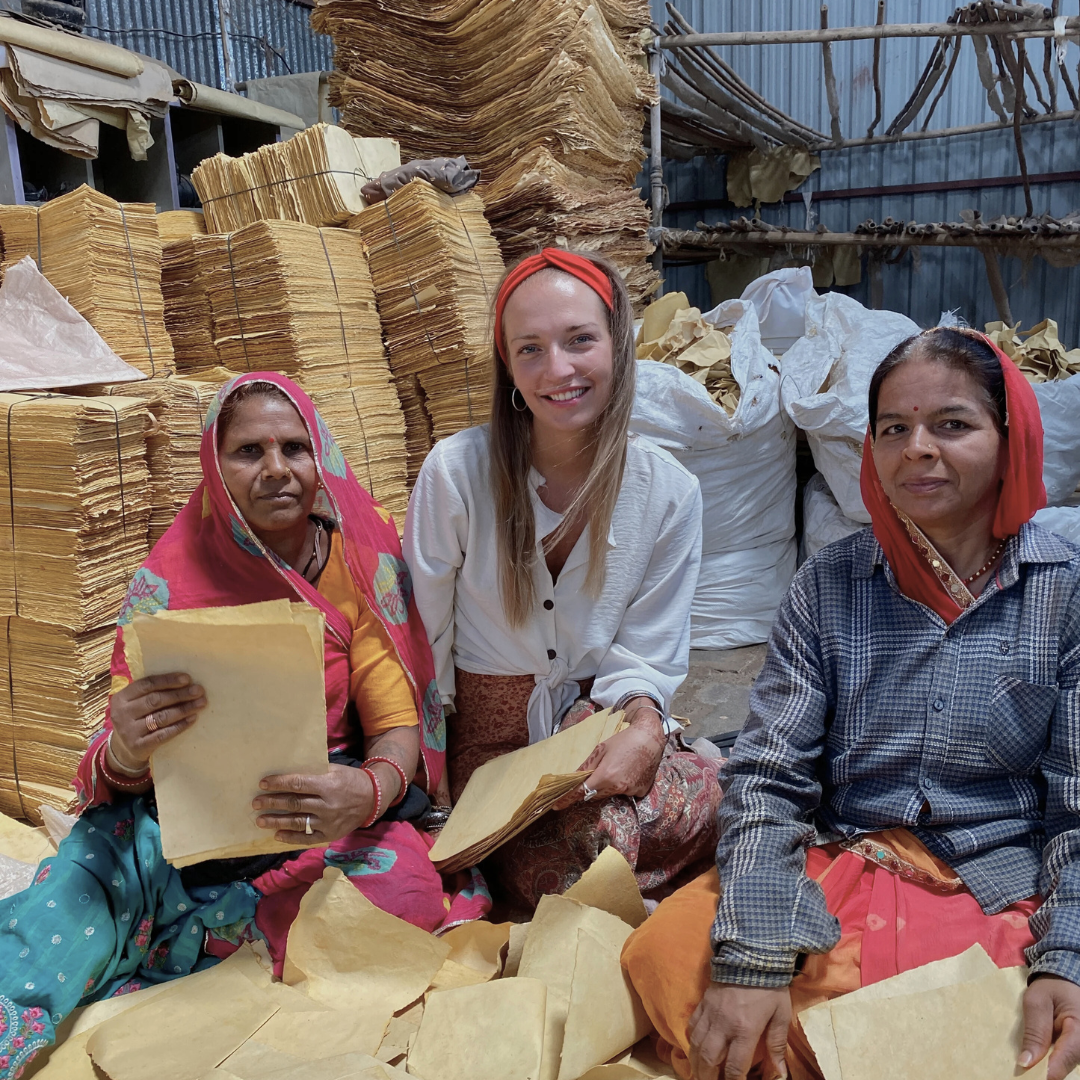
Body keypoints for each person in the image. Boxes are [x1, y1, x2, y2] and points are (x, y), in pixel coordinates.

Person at [621, 327, 1080, 1080]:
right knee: (668, 956)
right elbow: (768, 775)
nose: (916, 449)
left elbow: (1077, 807)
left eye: (952, 425)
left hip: (996, 885)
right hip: (843, 859)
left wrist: (1067, 955)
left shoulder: (1063, 591)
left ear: (1012, 439)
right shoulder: (828, 586)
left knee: (1010, 1018)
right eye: (893, 429)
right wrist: (759, 954)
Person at [0, 373, 488, 1077]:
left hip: (319, 812)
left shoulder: (359, 564)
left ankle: (174, 935)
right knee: (80, 877)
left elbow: (396, 729)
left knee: (404, 887)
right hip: (182, 820)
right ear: (214, 463)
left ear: (321, 458)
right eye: (248, 451)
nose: (277, 470)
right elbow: (119, 764)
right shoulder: (167, 580)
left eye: (295, 448)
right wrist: (131, 745)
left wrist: (366, 793)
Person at [403, 248, 720, 912]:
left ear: (618, 346)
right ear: (509, 367)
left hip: (595, 723)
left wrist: (643, 730)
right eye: (531, 350)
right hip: (492, 747)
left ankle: (627, 863)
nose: (559, 370)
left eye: (580, 340)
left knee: (735, 806)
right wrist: (430, 793)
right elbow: (421, 648)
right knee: (593, 845)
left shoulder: (668, 492)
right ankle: (611, 877)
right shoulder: (455, 475)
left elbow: (645, 654)